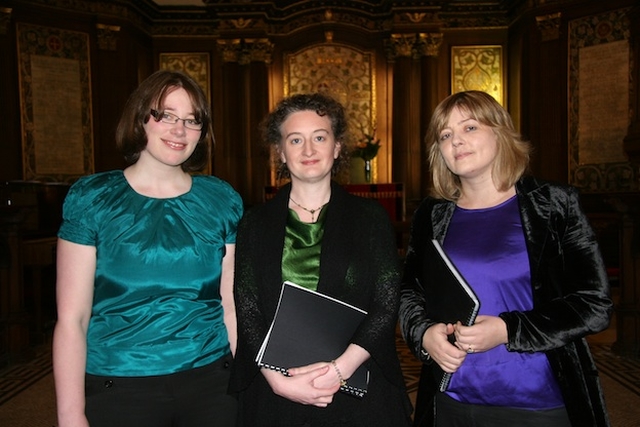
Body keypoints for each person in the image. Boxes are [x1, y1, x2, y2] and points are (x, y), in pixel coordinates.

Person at [399, 90, 613, 427]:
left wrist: (507, 329)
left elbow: (594, 305)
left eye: (469, 128)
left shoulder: (553, 205)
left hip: (536, 400)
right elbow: (410, 291)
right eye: (446, 135)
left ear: (500, 132)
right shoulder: (432, 214)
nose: (457, 141)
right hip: (452, 396)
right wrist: (423, 333)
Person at [52, 70, 243, 427]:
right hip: (119, 387)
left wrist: (248, 387)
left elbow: (231, 307)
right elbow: (72, 321)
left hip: (212, 383)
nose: (179, 130)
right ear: (141, 118)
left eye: (191, 120)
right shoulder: (93, 198)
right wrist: (70, 415)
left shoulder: (221, 199)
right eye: (166, 115)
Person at [230, 92, 413, 426]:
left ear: (337, 147)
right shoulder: (254, 224)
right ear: (280, 152)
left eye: (320, 137)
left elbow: (386, 305)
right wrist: (277, 381)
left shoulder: (370, 218)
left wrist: (339, 371)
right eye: (295, 139)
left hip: (358, 389)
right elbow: (248, 308)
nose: (309, 150)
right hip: (276, 393)